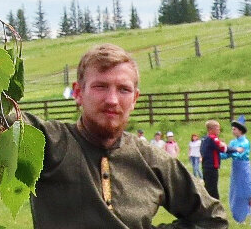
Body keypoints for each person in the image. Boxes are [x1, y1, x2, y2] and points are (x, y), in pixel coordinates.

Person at [24, 44, 225, 228]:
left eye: (123, 89)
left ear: (135, 99)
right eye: (100, 86)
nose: (112, 100)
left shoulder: (152, 160)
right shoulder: (49, 143)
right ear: (78, 92)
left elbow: (213, 218)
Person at [223, 118, 251, 223]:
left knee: (246, 191)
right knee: (236, 191)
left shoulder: (245, 142)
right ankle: (239, 215)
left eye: (234, 129)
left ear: (240, 130)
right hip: (235, 168)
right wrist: (217, 154)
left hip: (243, 167)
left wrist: (228, 151)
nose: (233, 131)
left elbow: (239, 154)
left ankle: (248, 212)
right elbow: (227, 153)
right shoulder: (233, 142)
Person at [200, 121, 226, 200]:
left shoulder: (204, 139)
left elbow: (201, 151)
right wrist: (236, 149)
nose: (219, 130)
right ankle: (215, 206)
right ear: (211, 129)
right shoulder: (213, 138)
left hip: (206, 166)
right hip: (212, 166)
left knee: (208, 186)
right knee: (213, 189)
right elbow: (222, 148)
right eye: (217, 128)